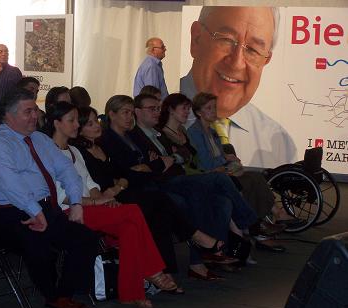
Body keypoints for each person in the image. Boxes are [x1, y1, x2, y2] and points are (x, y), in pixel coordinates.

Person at [46, 101, 188, 308]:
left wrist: (105, 200)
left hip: (90, 206)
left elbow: (89, 183)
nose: (77, 125)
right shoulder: (49, 152)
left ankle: (131, 292)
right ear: (57, 123)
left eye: (77, 120)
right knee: (132, 210)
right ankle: (153, 270)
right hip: (70, 211)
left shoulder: (75, 151)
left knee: (130, 227)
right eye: (72, 120)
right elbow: (61, 197)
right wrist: (98, 201)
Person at [101, 94, 254, 279]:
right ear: (113, 114)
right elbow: (137, 167)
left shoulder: (143, 135)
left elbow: (185, 153)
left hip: (172, 178)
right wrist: (159, 162)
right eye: (126, 112)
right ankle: (249, 224)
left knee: (222, 202)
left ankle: (209, 255)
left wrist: (167, 159)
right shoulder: (127, 136)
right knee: (217, 180)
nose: (129, 116)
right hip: (158, 184)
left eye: (158, 108)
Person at [73, 105, 229, 282]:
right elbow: (101, 181)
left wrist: (121, 183)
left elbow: (126, 173)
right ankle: (194, 241)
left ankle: (170, 268)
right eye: (90, 124)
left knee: (165, 207)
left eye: (96, 121)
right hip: (111, 198)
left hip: (125, 190)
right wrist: (122, 183)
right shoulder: (84, 150)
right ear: (79, 129)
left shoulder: (102, 145)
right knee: (164, 201)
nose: (96, 126)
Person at [0, 89, 98, 308]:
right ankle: (52, 295)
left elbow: (67, 170)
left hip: (41, 207)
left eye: (35, 109)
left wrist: (75, 203)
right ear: (9, 116)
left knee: (87, 238)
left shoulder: (40, 139)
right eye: (28, 111)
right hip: (5, 212)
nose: (35, 115)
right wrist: (35, 211)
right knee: (38, 240)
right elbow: (9, 184)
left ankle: (63, 295)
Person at [180, 6, 296, 168]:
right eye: (226, 39)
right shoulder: (157, 113)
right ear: (196, 39)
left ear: (265, 60)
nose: (237, 63)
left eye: (253, 50)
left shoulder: (281, 145)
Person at [187, 92, 289, 252]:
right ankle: (259, 225)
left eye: (214, 107)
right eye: (209, 108)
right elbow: (206, 163)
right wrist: (225, 159)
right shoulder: (195, 132)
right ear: (198, 112)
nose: (213, 111)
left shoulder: (212, 131)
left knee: (256, 177)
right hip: (210, 174)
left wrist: (227, 158)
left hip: (222, 170)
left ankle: (271, 217)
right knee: (247, 183)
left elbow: (218, 156)